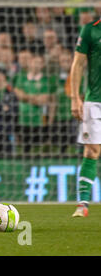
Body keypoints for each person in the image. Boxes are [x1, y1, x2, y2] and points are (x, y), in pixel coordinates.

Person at [70, 16, 101, 218]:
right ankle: (82, 204)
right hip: (95, 101)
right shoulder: (90, 30)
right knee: (92, 151)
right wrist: (75, 97)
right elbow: (78, 64)